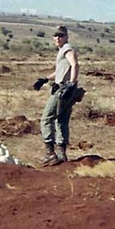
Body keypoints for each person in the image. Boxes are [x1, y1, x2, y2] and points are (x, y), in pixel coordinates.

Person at [34, 25, 80, 166]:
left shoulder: (67, 49)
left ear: (66, 37)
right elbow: (61, 70)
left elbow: (75, 65)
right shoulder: (63, 51)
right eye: (56, 35)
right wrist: (46, 79)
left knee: (46, 119)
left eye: (61, 35)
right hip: (67, 89)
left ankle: (50, 153)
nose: (57, 38)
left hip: (63, 89)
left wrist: (71, 84)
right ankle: (61, 154)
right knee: (61, 120)